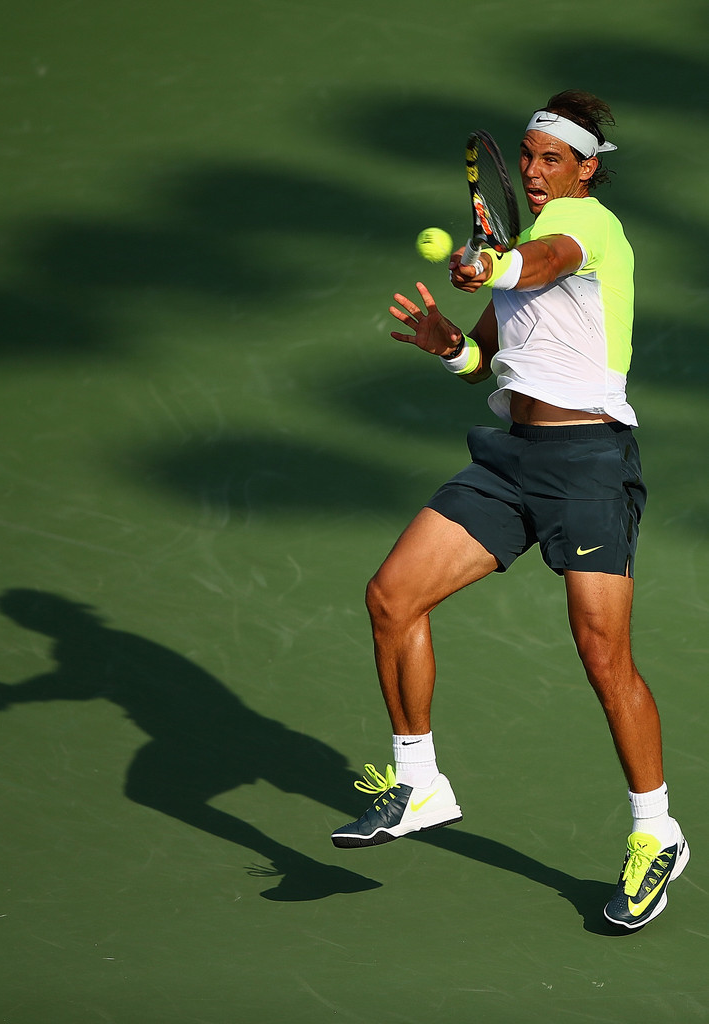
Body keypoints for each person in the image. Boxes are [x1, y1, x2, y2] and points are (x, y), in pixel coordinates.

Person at [330, 90, 688, 930]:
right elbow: (490, 352)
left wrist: (489, 265)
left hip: (590, 465)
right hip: (512, 459)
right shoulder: (523, 239)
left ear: (587, 167)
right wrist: (449, 345)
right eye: (526, 157)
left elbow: (546, 262)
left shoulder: (588, 228)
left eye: (550, 160)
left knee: (606, 661)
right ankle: (418, 782)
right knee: (392, 597)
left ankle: (655, 833)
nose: (531, 173)